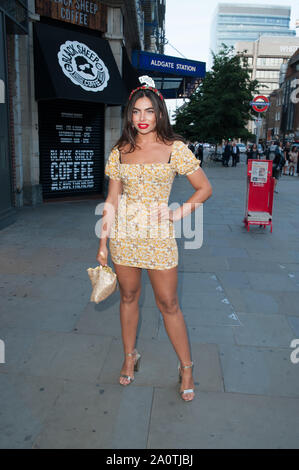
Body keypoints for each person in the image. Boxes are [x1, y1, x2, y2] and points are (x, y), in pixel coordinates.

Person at [96, 80, 213, 402]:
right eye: (135, 112)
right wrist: (103, 241)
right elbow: (112, 198)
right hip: (124, 235)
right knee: (128, 297)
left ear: (159, 113)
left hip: (159, 237)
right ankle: (129, 355)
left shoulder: (175, 149)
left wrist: (176, 215)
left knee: (169, 304)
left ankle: (186, 366)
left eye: (148, 110)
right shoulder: (120, 151)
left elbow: (204, 188)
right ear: (129, 116)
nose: (141, 117)